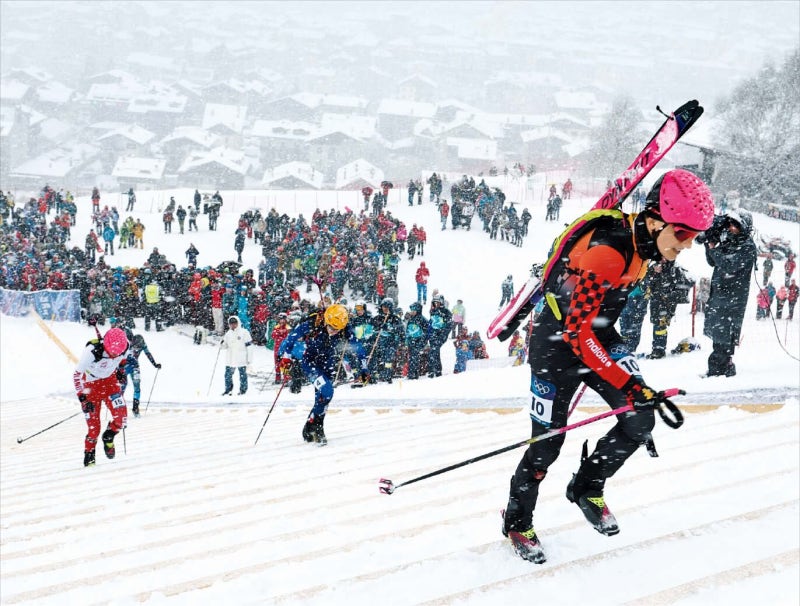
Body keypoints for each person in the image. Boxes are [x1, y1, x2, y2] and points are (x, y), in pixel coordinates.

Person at [502, 168, 714, 563]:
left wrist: (632, 386)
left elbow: (596, 327)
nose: (687, 245)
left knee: (639, 418)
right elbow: (576, 333)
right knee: (546, 445)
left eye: (695, 237)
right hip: (557, 347)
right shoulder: (608, 252)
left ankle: (586, 487)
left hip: (598, 336)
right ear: (655, 220)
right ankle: (516, 520)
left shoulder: (646, 248)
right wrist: (626, 381)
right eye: (683, 233)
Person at [278, 304, 370, 445]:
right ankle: (318, 427)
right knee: (327, 392)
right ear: (326, 321)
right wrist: (285, 358)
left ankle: (310, 425)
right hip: (311, 364)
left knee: (321, 399)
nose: (333, 331)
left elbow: (360, 349)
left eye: (336, 329)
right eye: (331, 327)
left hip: (328, 365)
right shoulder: (313, 323)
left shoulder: (345, 329)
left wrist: (364, 370)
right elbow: (290, 340)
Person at [701, 210, 757, 377]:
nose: (731, 228)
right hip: (719, 296)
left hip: (733, 299)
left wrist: (715, 250)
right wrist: (709, 244)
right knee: (718, 334)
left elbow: (730, 265)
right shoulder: (730, 242)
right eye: (730, 224)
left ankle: (718, 371)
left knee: (724, 335)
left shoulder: (747, 247)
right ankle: (723, 368)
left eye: (735, 225)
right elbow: (713, 261)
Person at [73, 327, 130, 467]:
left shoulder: (125, 346)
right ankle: (89, 454)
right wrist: (83, 398)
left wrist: (121, 370)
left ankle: (109, 436)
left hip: (110, 383)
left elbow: (123, 359)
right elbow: (77, 375)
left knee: (122, 418)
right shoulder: (92, 351)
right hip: (91, 386)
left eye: (117, 354)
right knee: (94, 428)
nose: (113, 356)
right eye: (111, 353)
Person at [115, 323, 161, 418]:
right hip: (124, 366)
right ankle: (119, 407)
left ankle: (135, 408)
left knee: (137, 386)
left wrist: (155, 364)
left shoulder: (143, 344)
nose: (136, 350)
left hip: (135, 366)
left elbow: (148, 354)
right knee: (123, 386)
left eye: (138, 349)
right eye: (135, 348)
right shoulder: (127, 344)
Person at [222, 316, 253, 395]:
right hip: (230, 357)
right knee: (227, 375)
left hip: (241, 357)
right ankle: (228, 389)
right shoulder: (228, 334)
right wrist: (222, 343)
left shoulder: (244, 332)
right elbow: (224, 346)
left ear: (238, 323)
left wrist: (249, 358)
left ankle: (243, 390)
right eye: (231, 324)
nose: (233, 325)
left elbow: (249, 346)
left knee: (242, 375)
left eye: (235, 323)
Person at [427, 294, 452, 378]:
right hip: (433, 335)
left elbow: (448, 326)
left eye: (437, 303)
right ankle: (437, 371)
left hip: (440, 335)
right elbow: (431, 323)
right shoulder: (433, 311)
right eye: (434, 303)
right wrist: (429, 333)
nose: (436, 305)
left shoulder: (446, 312)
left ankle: (433, 370)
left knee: (433, 351)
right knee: (435, 352)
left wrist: (442, 336)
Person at [405, 301, 429, 380]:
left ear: (418, 310)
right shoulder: (410, 319)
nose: (412, 312)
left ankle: (413, 373)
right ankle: (412, 372)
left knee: (414, 357)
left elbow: (426, 332)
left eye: (414, 310)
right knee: (411, 357)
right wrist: (407, 339)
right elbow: (407, 329)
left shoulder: (422, 320)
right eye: (411, 310)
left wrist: (422, 342)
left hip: (418, 341)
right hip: (411, 341)